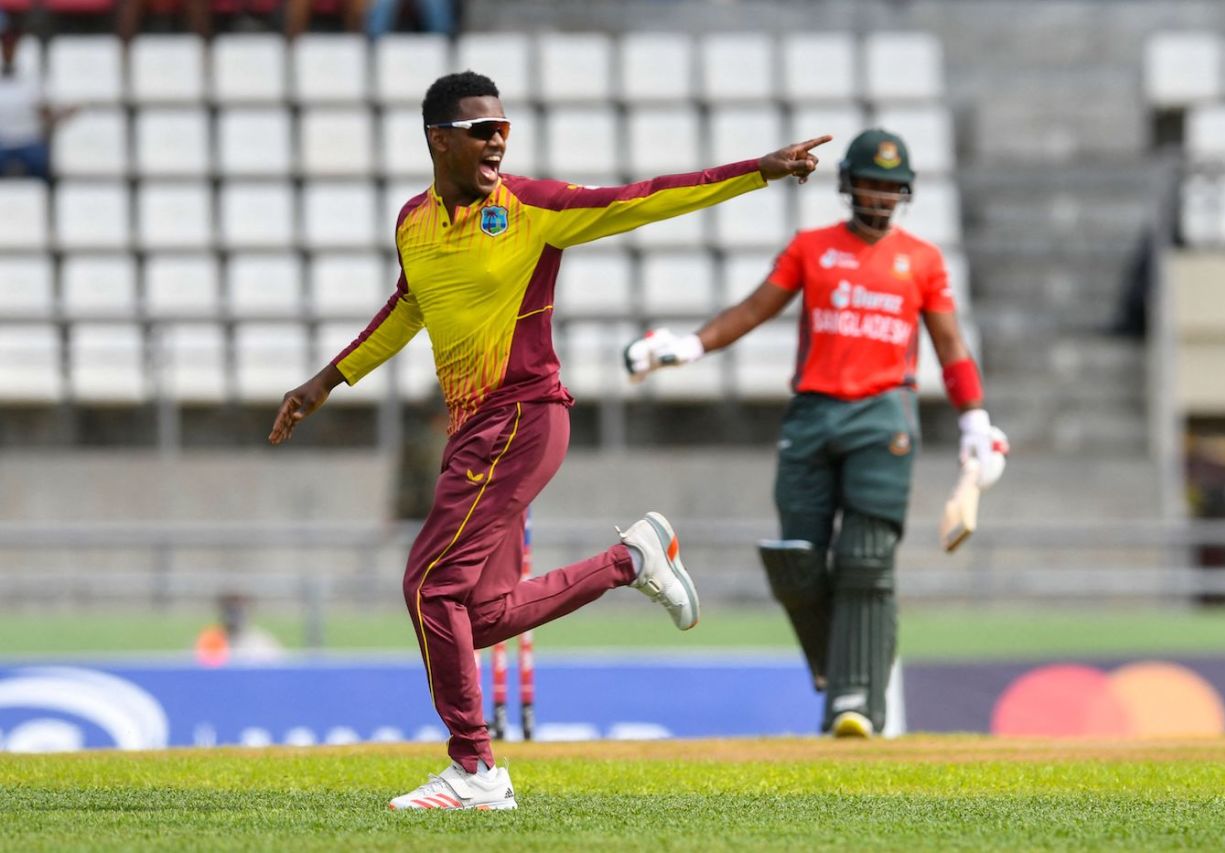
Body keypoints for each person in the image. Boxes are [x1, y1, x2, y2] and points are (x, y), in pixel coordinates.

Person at [268, 70, 829, 810]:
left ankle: (474, 769)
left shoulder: (530, 207)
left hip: (522, 417)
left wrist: (754, 172)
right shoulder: (413, 222)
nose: (498, 139)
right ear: (439, 140)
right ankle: (630, 560)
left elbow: (641, 199)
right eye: (481, 130)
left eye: (503, 127)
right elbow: (407, 307)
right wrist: (325, 381)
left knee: (428, 584)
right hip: (476, 432)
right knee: (480, 611)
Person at [625, 128, 1009, 739]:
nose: (879, 197)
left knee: (865, 559)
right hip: (810, 414)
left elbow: (951, 347)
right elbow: (752, 310)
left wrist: (975, 420)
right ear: (848, 185)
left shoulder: (924, 261)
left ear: (904, 194)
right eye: (869, 184)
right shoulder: (812, 248)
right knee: (797, 560)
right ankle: (840, 668)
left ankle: (857, 700)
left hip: (883, 417)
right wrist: (689, 345)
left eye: (891, 188)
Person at [0, 27, 52, 181]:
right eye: (5, 46)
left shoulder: (32, 78)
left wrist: (59, 116)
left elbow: (44, 112)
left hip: (28, 140)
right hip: (2, 140)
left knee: (40, 163)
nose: (8, 50)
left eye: (11, 46)